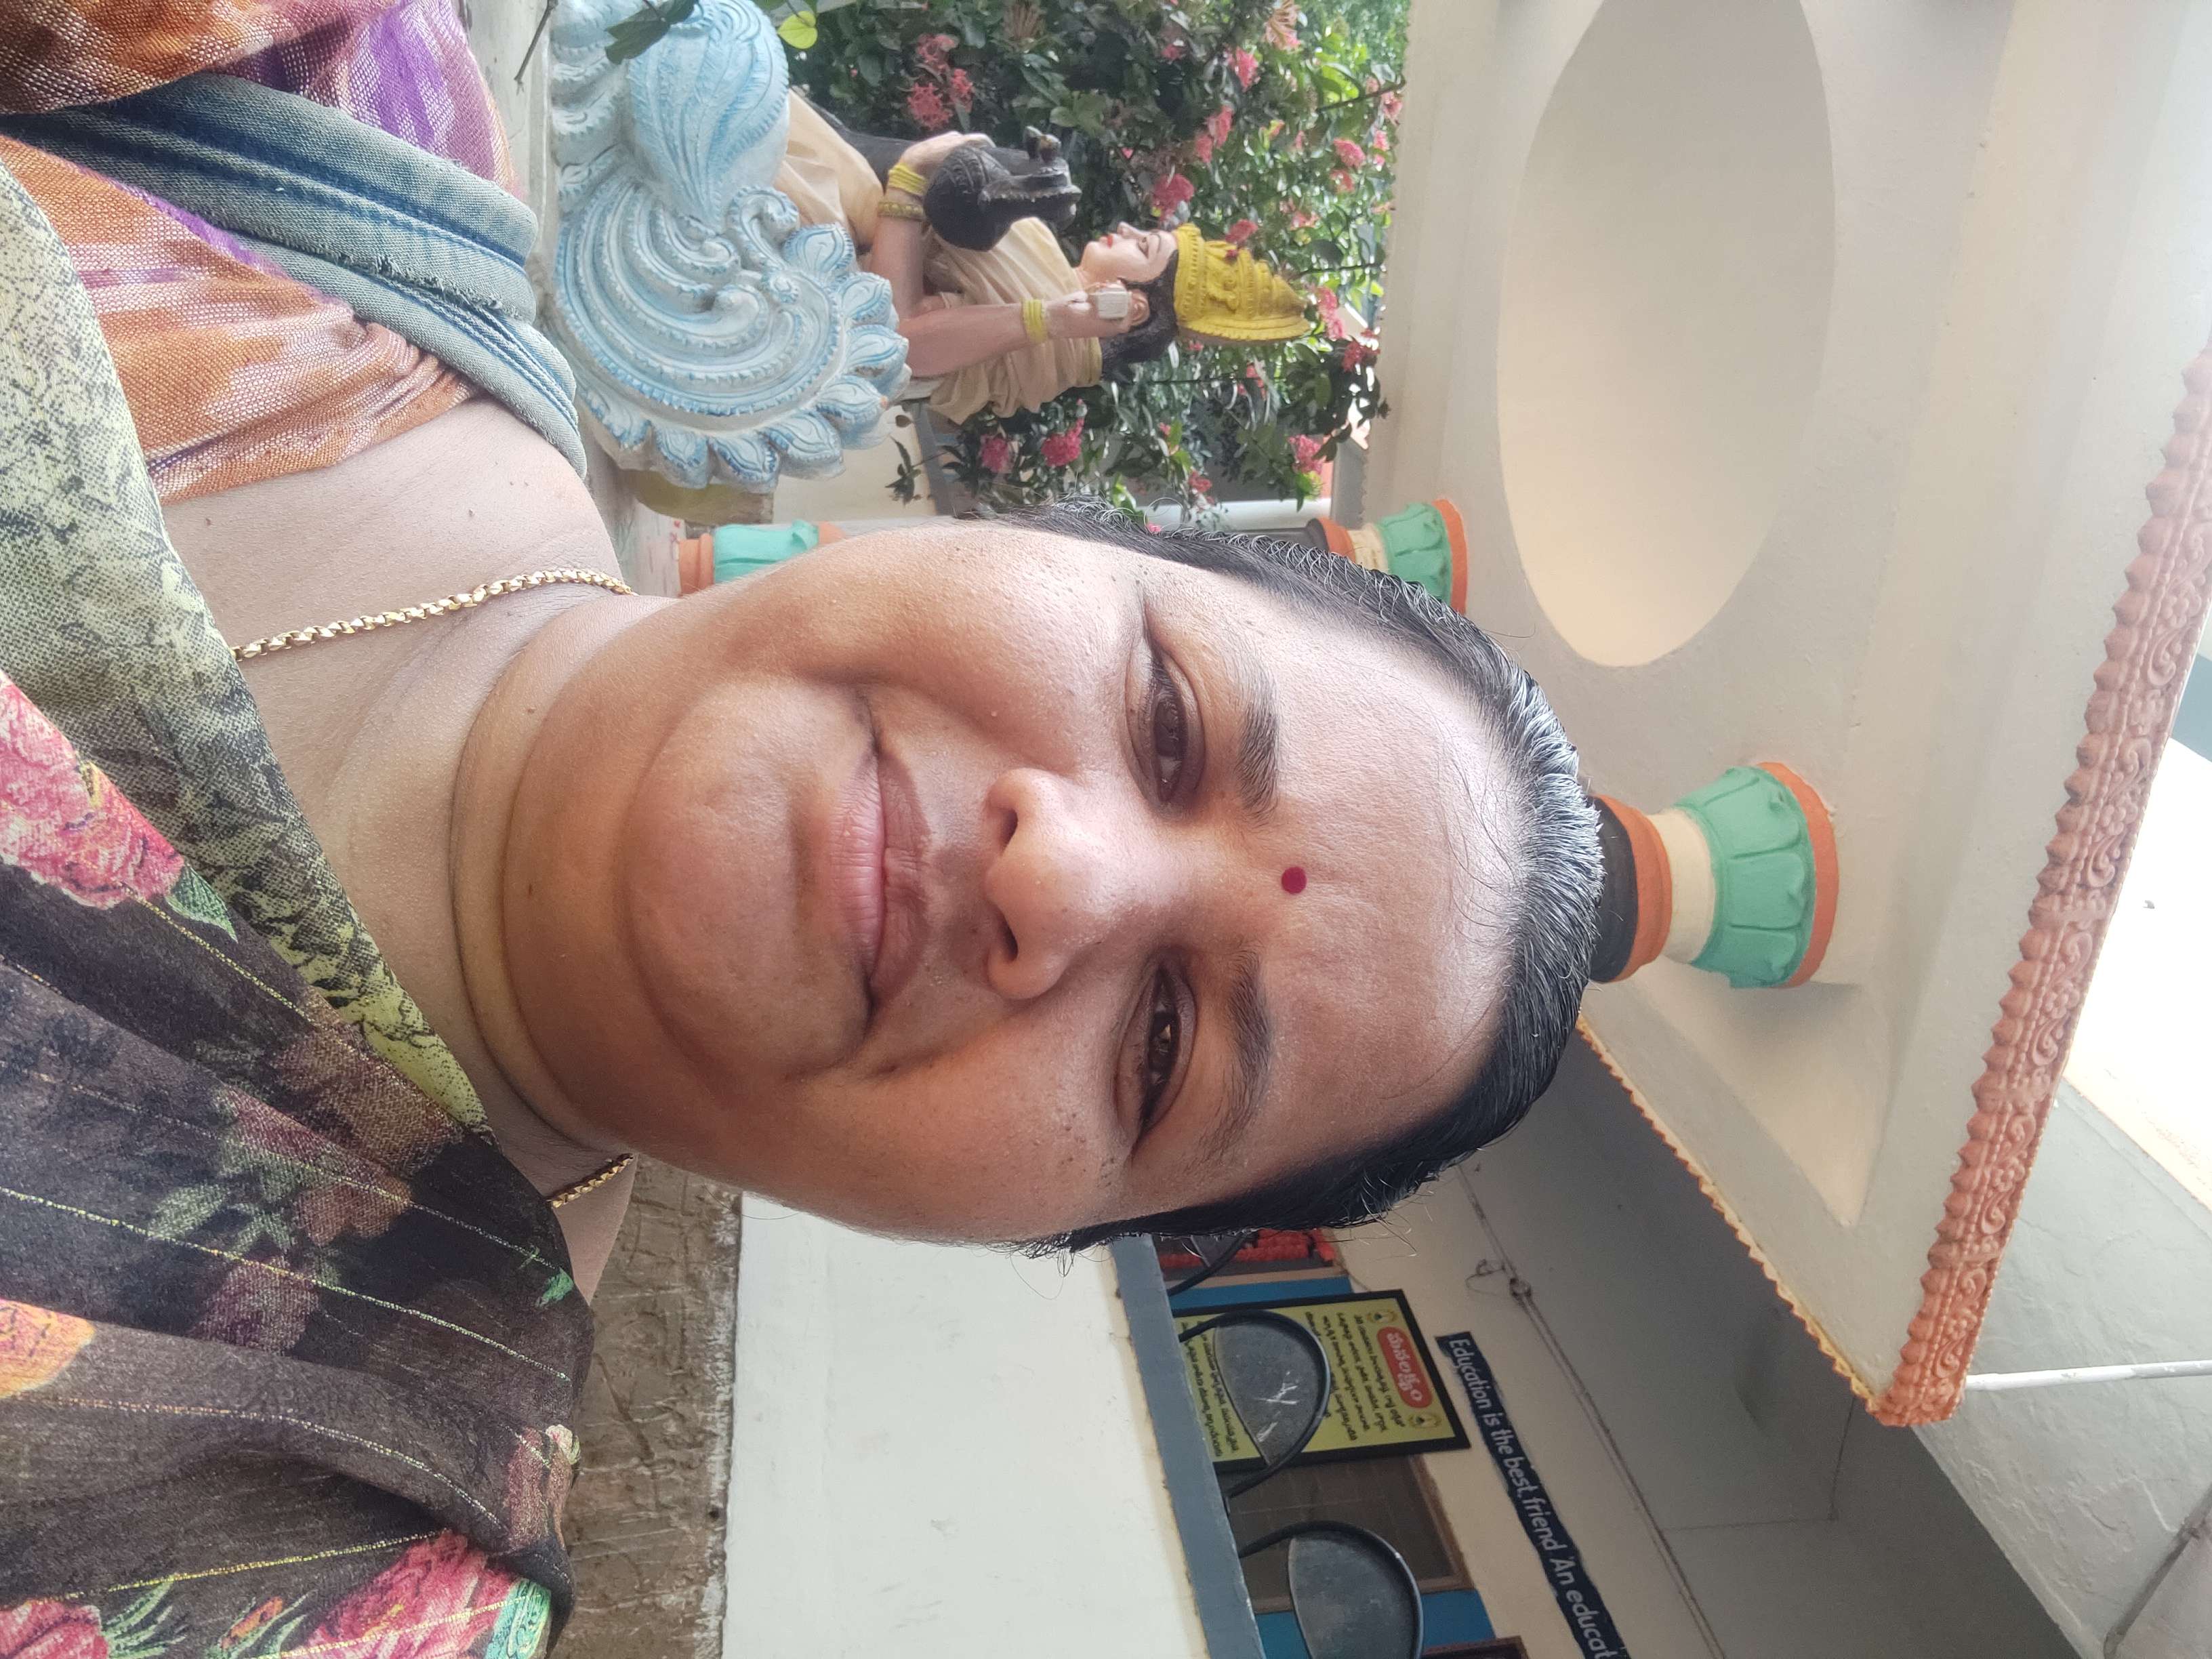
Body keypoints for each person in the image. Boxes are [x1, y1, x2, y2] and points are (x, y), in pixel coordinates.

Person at [0, 3, 1599, 1652]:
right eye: (1169, 719)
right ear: (1063, 532)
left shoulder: (323, 1559)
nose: (1058, 876)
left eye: (1164, 1045)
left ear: (1039, 1234)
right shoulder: (316, 113)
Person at [777, 99, 1311, 421]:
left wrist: (910, 180)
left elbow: (894, 339)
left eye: (1144, 246)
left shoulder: (1048, 338)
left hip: (797, 253)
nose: (1129, 230)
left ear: (1135, 307)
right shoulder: (1043, 266)